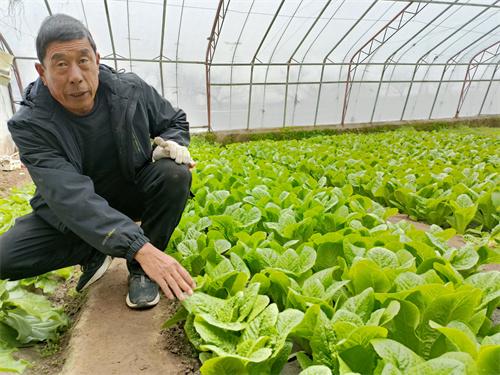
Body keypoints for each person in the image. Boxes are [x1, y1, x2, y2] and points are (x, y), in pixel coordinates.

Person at [0, 14, 196, 309]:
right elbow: (71, 198)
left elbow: (174, 120)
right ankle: (93, 249)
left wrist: (174, 143)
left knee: (174, 174)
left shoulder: (129, 90)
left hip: (129, 191)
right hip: (70, 214)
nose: (76, 76)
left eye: (83, 60)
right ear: (42, 71)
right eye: (61, 64)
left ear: (96, 58)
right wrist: (139, 246)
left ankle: (142, 273)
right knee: (4, 258)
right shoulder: (30, 124)